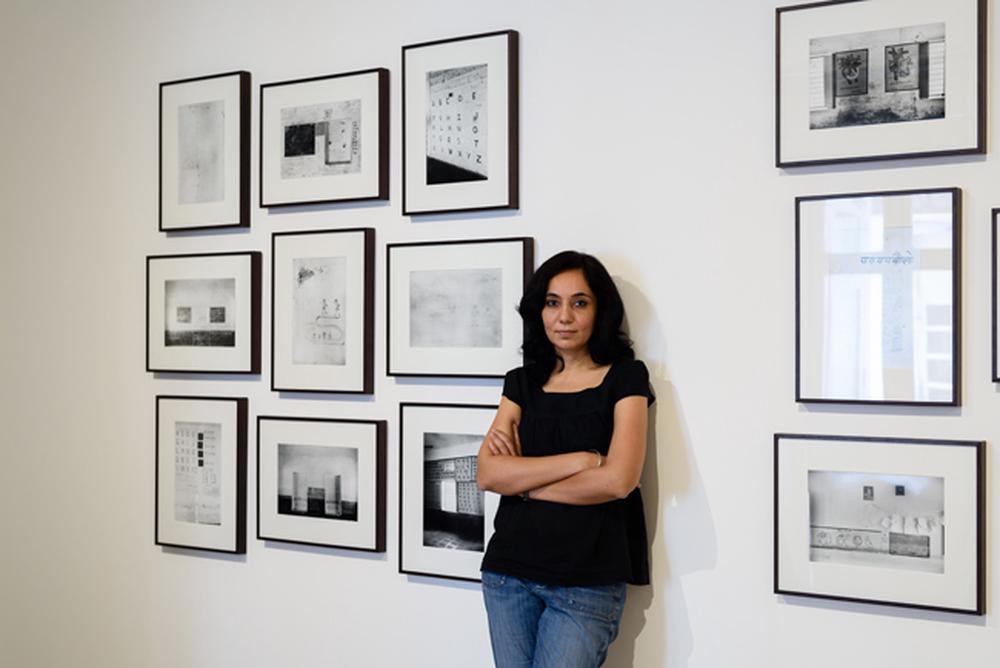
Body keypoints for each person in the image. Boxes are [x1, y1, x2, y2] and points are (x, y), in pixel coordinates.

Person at [477, 250, 654, 668]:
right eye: (552, 303)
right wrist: (581, 459)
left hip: (586, 581)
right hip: (509, 573)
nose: (564, 317)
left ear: (600, 310)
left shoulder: (626, 378)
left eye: (579, 302)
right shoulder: (521, 383)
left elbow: (618, 482)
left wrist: (522, 483)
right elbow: (487, 472)